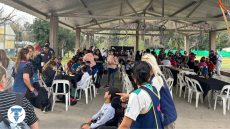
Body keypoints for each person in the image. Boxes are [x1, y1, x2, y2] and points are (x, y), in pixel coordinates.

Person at [118, 61, 163, 129]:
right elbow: (146, 103)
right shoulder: (154, 89)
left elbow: (124, 126)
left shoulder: (136, 95)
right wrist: (130, 99)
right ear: (149, 76)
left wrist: (132, 98)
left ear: (133, 76)